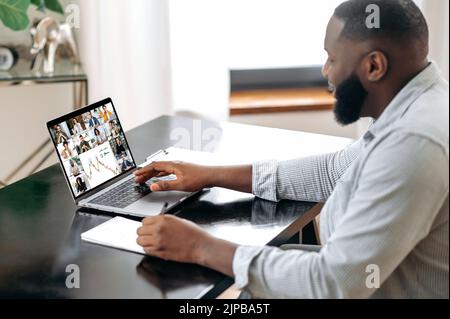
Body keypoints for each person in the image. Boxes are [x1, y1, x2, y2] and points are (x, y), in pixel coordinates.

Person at [134, 0, 448, 298]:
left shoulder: (414, 144)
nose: (326, 71)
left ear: (374, 66)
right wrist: (210, 175)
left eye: (333, 59)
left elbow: (334, 284)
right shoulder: (418, 103)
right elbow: (331, 172)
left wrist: (199, 247)